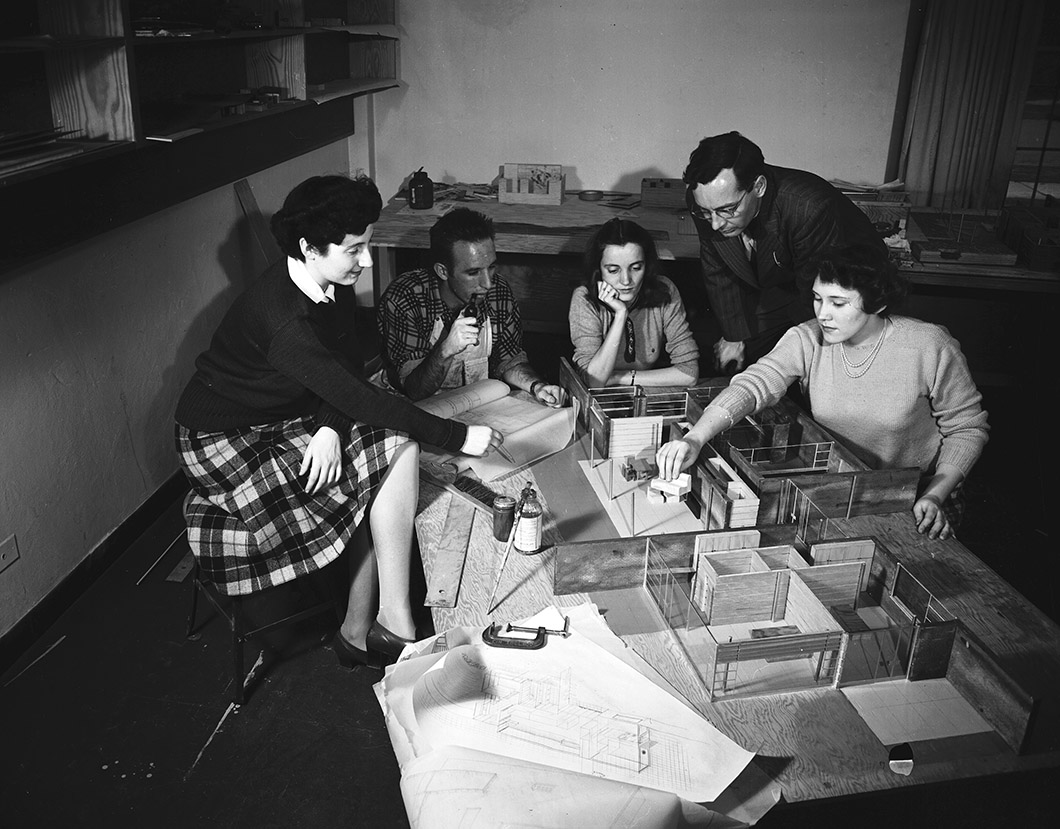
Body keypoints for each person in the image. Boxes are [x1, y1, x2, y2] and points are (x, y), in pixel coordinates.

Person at [174, 175, 504, 668]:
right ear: (310, 248)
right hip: (223, 437)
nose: (366, 261)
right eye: (354, 250)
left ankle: (384, 624)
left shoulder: (330, 282)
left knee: (398, 445)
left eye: (366, 245)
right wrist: (460, 436)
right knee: (380, 459)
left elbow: (345, 372)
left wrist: (331, 427)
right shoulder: (283, 319)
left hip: (286, 410)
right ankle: (373, 630)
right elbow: (360, 396)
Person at [655, 245, 989, 541]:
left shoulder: (929, 345)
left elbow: (968, 429)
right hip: (842, 487)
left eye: (838, 303)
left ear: (878, 303)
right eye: (818, 298)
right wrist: (696, 437)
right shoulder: (808, 338)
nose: (822, 314)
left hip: (921, 494)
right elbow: (754, 383)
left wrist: (935, 494)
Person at [683, 131, 885, 372]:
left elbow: (815, 296)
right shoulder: (706, 201)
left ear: (759, 187)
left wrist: (802, 355)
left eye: (727, 210)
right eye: (707, 212)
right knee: (743, 360)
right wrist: (734, 337)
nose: (715, 224)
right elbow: (717, 269)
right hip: (780, 285)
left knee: (812, 368)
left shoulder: (808, 206)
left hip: (844, 289)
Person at [377, 207, 567, 406]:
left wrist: (536, 386)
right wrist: (446, 350)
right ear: (443, 271)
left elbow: (509, 359)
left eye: (491, 267)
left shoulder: (498, 292)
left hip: (475, 402)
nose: (487, 283)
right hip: (412, 405)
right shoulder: (406, 298)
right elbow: (415, 390)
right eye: (473, 272)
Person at [568, 218, 699, 388]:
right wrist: (621, 315)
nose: (626, 280)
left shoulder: (665, 289)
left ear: (647, 266)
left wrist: (619, 378)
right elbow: (594, 381)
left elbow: (689, 373)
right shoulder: (584, 299)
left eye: (636, 268)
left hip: (645, 392)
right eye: (613, 270)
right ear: (598, 270)